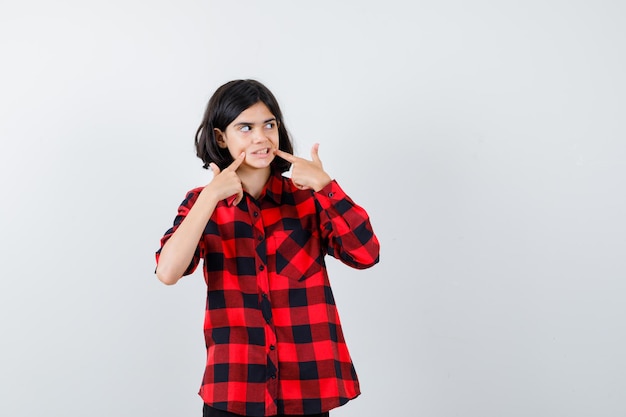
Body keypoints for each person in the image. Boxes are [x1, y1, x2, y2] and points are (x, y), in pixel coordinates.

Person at [155, 79, 380, 417]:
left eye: (269, 125)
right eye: (245, 127)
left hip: (307, 389)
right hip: (234, 389)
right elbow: (168, 272)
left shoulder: (308, 198)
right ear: (220, 138)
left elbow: (366, 254)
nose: (261, 137)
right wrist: (210, 197)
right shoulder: (202, 205)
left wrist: (326, 186)